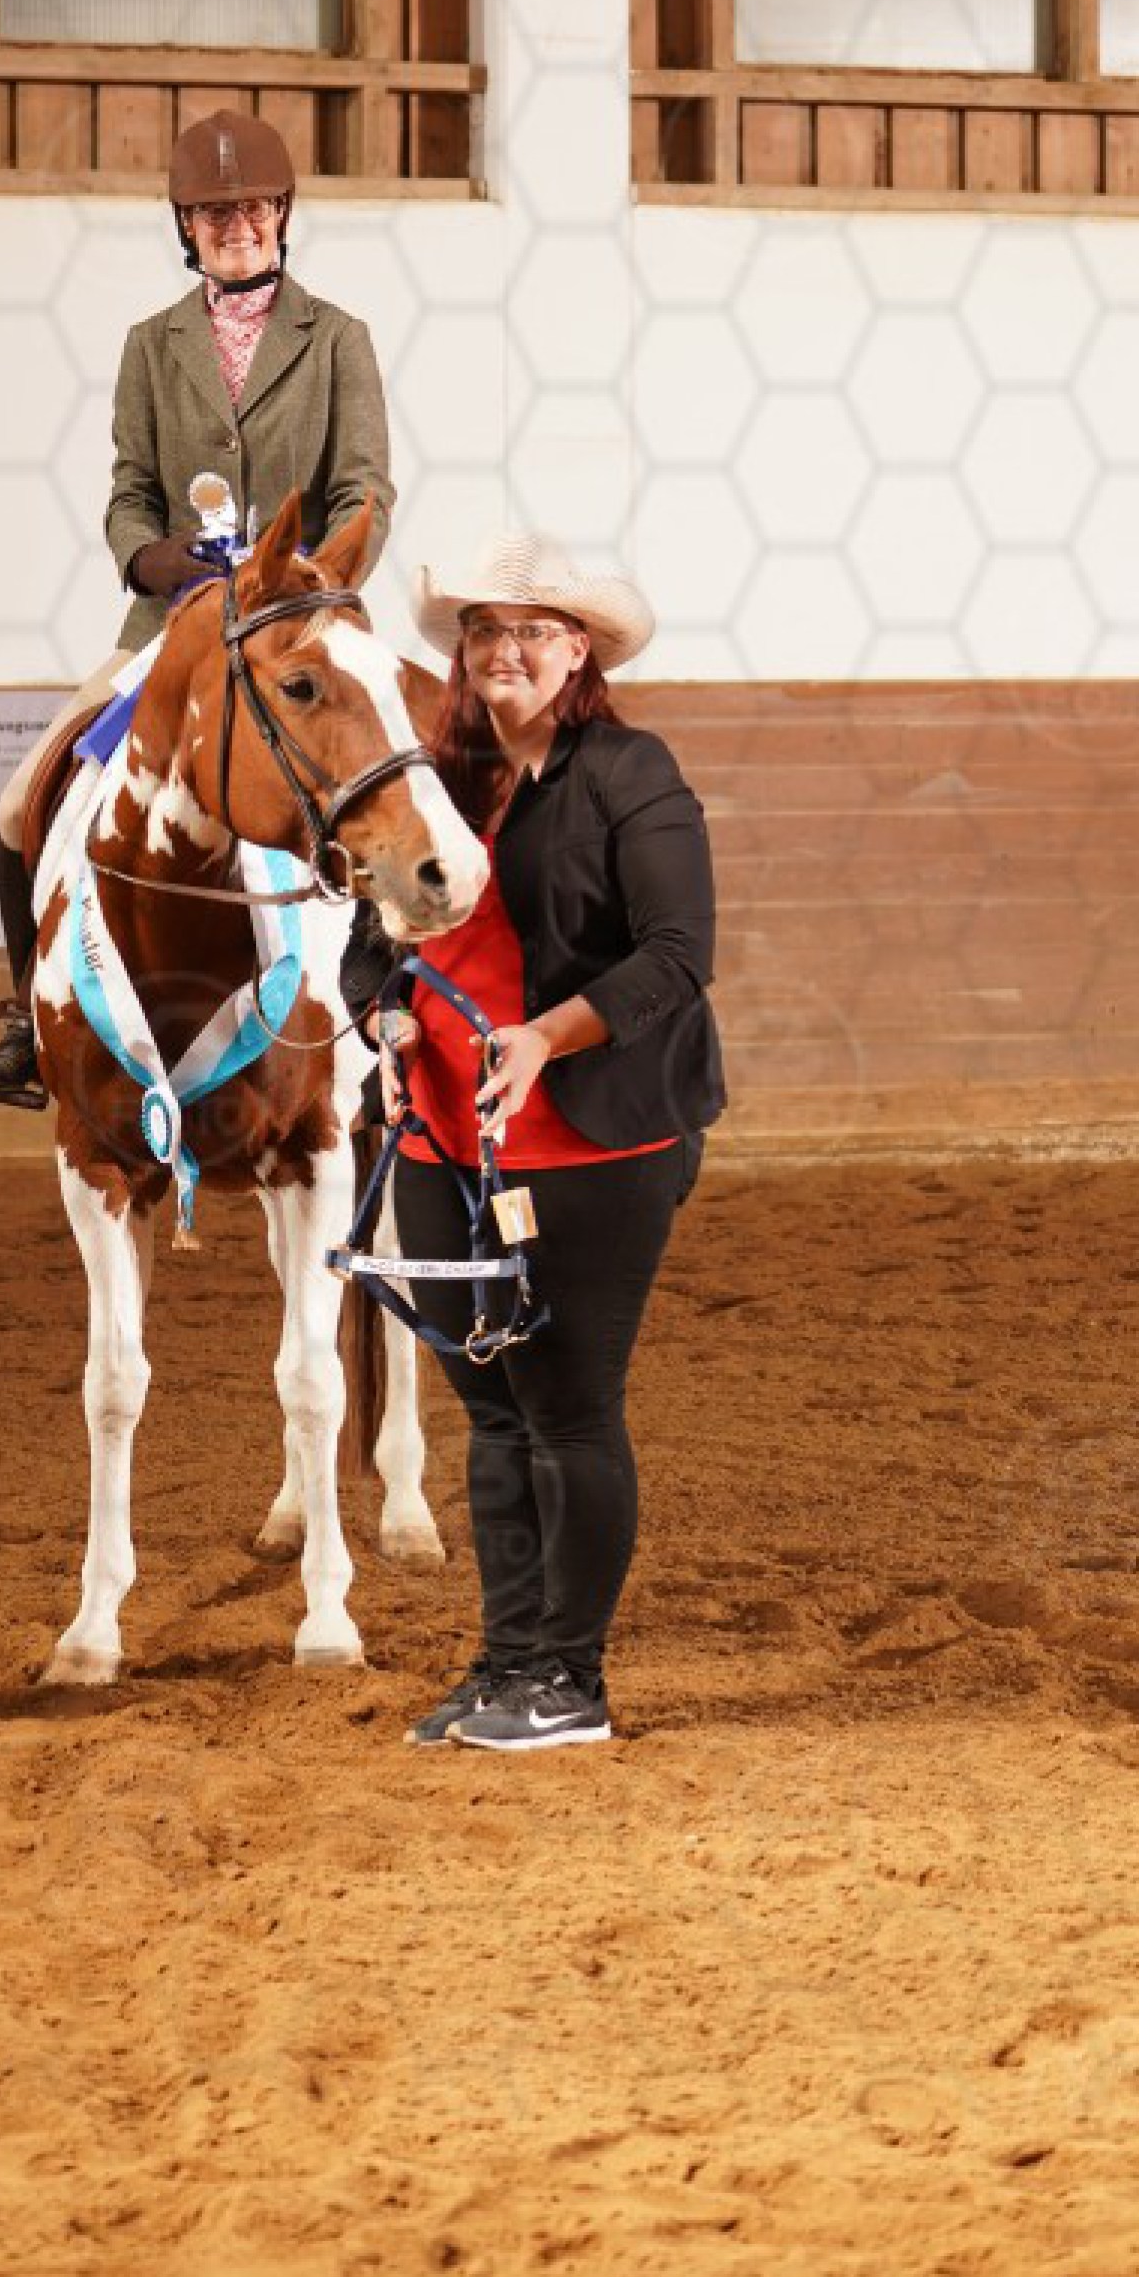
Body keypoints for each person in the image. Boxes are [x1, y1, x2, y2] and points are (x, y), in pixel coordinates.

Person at [343, 531, 724, 1753]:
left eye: (532, 631)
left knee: (565, 1407)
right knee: (491, 1409)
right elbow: (369, 940)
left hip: (588, 1143)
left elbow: (676, 954)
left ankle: (572, 1679)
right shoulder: (431, 780)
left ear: (576, 652)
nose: (504, 649)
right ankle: (507, 1662)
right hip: (438, 1143)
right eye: (484, 630)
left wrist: (543, 1038)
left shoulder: (626, 772)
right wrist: (386, 1017)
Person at [0, 106, 395, 1107]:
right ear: (186, 226)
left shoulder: (337, 339)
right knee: (17, 802)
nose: (236, 225)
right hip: (170, 630)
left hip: (299, 624)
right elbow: (128, 492)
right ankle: (28, 1017)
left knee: (383, 780)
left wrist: (304, 583)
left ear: (282, 213)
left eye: (253, 207)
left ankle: (379, 1003)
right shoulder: (151, 346)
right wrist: (149, 558)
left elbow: (365, 489)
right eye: (213, 212)